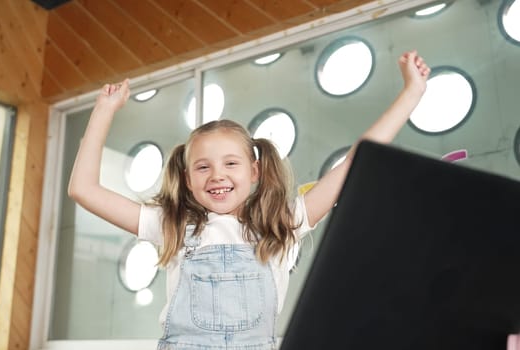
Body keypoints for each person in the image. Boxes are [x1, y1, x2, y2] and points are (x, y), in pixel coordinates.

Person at [68, 51, 518, 349]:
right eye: (202, 167)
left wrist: (412, 94)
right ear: (187, 181)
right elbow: (83, 190)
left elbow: (358, 162)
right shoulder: (172, 227)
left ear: (256, 171)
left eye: (231, 164)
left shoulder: (284, 223)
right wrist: (104, 112)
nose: (217, 175)